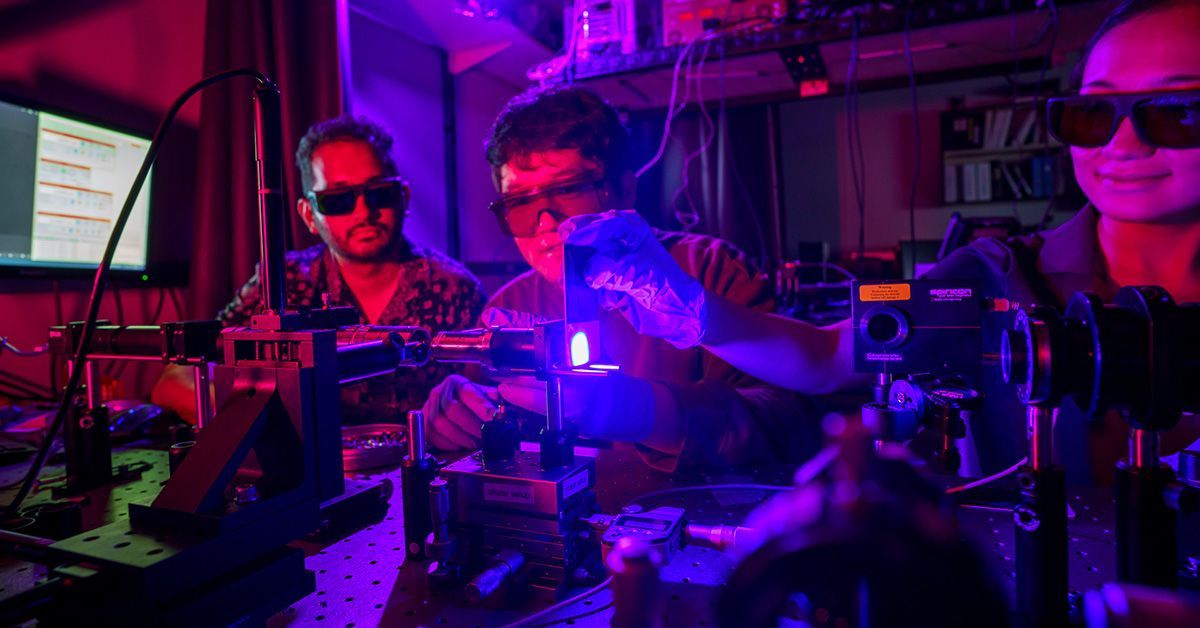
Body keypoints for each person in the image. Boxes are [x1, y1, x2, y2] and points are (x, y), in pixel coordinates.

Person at [565, 0, 1200, 482]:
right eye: (1095, 112)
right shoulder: (988, 277)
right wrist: (690, 309)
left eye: (1176, 109)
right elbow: (826, 353)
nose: (1125, 143)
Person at [422, 87, 815, 472]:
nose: (545, 224)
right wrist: (457, 414)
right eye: (521, 202)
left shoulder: (707, 269)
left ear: (625, 188)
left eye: (569, 190)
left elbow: (786, 422)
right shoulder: (509, 305)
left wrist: (644, 412)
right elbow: (486, 423)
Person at [152, 115, 485, 424]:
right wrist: (255, 421)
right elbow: (176, 377)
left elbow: (490, 396)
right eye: (338, 199)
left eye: (379, 193)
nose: (363, 211)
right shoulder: (283, 284)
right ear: (309, 215)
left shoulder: (455, 290)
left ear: (403, 197)